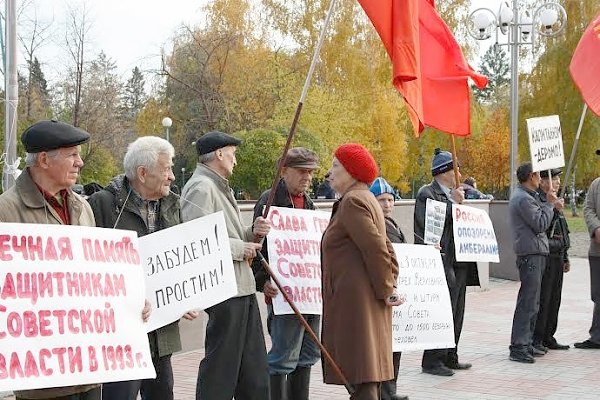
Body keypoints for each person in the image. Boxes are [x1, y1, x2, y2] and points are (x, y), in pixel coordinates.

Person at [87, 136, 198, 400]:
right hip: (121, 330)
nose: (172, 176)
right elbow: (89, 266)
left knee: (162, 393)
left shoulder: (172, 203)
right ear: (142, 173)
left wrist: (185, 295)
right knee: (120, 395)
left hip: (161, 331)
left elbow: (179, 255)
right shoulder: (103, 204)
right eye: (167, 169)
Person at [0, 120, 101, 400]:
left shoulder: (83, 207)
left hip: (90, 365)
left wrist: (126, 302)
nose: (80, 162)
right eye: (72, 154)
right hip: (43, 375)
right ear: (44, 159)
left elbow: (100, 275)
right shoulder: (6, 211)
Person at [180, 131, 271, 400]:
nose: (235, 160)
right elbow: (196, 239)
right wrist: (241, 247)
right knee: (222, 369)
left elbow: (225, 233)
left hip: (240, 288)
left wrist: (251, 232)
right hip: (224, 291)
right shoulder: (201, 188)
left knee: (252, 368)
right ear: (219, 154)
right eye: (233, 154)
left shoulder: (217, 186)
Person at [321, 143, 402, 400]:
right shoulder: (363, 198)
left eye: (336, 166)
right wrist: (390, 285)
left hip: (357, 306)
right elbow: (386, 247)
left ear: (352, 172)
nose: (330, 173)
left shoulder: (354, 201)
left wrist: (388, 288)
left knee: (362, 377)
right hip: (361, 302)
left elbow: (377, 247)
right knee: (364, 376)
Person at [252, 147, 321, 400]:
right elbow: (257, 246)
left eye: (311, 173)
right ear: (284, 171)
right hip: (283, 296)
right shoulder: (269, 200)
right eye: (302, 172)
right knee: (283, 357)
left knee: (308, 354)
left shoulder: (310, 204)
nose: (307, 177)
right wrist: (263, 281)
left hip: (310, 296)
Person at [413, 148, 479, 377]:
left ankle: (451, 355)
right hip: (441, 261)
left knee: (457, 312)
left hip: (459, 261)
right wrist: (454, 204)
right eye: (455, 168)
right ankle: (432, 360)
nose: (458, 173)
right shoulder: (427, 193)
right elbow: (435, 221)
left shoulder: (454, 194)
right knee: (441, 312)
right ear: (444, 171)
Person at [508, 162, 562, 363]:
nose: (541, 180)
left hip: (536, 252)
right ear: (531, 176)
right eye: (539, 176)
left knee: (534, 302)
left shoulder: (528, 197)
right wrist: (549, 204)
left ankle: (527, 342)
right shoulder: (523, 198)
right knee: (528, 302)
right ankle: (519, 345)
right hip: (530, 254)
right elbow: (540, 224)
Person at [369, 177, 408, 400]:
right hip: (385, 292)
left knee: (396, 345)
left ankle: (390, 390)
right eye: (382, 200)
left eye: (390, 200)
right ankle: (385, 391)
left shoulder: (391, 223)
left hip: (394, 290)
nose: (387, 205)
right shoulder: (376, 225)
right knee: (386, 347)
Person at [532, 169, 571, 351]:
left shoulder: (557, 202)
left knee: (555, 299)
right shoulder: (541, 201)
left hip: (557, 256)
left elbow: (562, 231)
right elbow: (541, 228)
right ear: (542, 182)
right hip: (545, 255)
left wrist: (565, 256)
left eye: (557, 178)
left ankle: (549, 335)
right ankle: (538, 338)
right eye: (552, 178)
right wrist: (552, 208)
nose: (556, 182)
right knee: (544, 298)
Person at [575, 159, 600, 349]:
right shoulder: (596, 185)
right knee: (598, 294)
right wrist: (596, 228)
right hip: (597, 251)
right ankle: (596, 336)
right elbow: (588, 208)